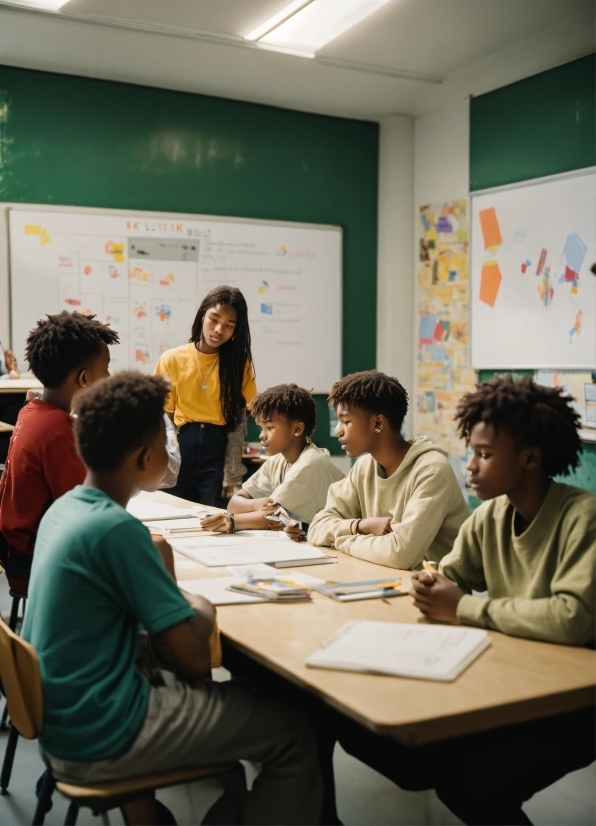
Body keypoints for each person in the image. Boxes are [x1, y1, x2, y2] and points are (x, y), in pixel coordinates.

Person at [22, 372, 323, 826]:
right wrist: (193, 601)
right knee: (296, 736)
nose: (171, 451)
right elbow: (195, 664)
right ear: (145, 457)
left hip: (66, 721)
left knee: (248, 696)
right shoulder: (117, 530)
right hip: (105, 731)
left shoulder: (66, 509)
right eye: (168, 442)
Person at [333, 375, 595, 826]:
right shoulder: (489, 516)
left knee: (470, 784)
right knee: (373, 740)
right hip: (518, 680)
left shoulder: (582, 518)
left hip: (573, 704)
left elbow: (572, 618)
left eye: (485, 455)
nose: (469, 466)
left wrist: (463, 608)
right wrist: (427, 588)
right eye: (471, 451)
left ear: (530, 458)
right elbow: (447, 580)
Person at [0, 311, 118, 592]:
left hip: (19, 553)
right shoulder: (56, 431)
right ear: (85, 378)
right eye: (107, 368)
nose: (110, 376)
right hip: (39, 563)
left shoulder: (33, 411)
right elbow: (86, 510)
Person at [308, 370, 469, 569]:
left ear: (378, 423)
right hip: (382, 577)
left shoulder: (432, 471)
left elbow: (400, 554)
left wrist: (340, 540)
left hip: (435, 592)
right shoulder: (364, 467)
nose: (337, 430)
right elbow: (317, 527)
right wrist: (359, 526)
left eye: (346, 421)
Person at [155, 286, 256, 507]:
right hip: (182, 446)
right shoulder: (172, 359)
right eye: (214, 319)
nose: (219, 329)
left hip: (220, 449)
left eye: (229, 326)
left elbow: (251, 408)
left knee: (215, 517)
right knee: (176, 513)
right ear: (202, 315)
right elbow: (166, 416)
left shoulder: (239, 365)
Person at [203, 383, 344, 535]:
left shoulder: (310, 463)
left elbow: (275, 518)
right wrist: (256, 504)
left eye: (270, 428)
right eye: (262, 428)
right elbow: (234, 504)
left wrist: (231, 521)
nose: (261, 435)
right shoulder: (278, 460)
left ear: (297, 429)